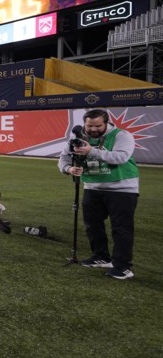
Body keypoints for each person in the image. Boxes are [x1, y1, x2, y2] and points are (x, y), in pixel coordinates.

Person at [58, 108, 139, 280]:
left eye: (98, 126)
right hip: (92, 187)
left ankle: (123, 266)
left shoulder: (121, 135)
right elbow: (63, 158)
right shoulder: (77, 138)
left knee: (121, 229)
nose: (93, 129)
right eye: (90, 126)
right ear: (84, 124)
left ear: (106, 123)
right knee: (92, 225)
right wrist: (69, 169)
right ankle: (101, 256)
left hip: (122, 189)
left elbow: (121, 157)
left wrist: (91, 151)